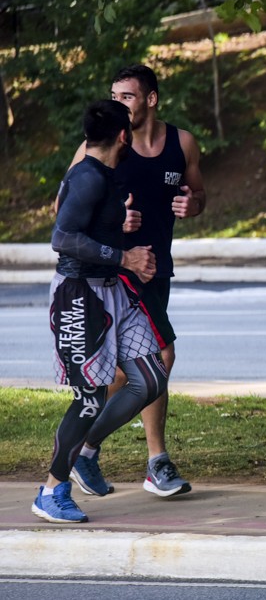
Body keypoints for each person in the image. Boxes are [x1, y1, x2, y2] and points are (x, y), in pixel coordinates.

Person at [66, 64, 206, 498]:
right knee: (154, 358)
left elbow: (198, 194)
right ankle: (144, 460)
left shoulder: (181, 143)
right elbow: (66, 204)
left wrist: (192, 205)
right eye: (114, 95)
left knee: (139, 368)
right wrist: (114, 220)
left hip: (154, 267)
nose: (119, 103)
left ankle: (83, 456)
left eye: (127, 96)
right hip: (112, 272)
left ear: (151, 99)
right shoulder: (103, 144)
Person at [33, 99, 168, 524]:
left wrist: (118, 228)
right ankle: (52, 490)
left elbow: (90, 228)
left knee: (149, 377)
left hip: (110, 291)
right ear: (123, 136)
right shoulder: (88, 177)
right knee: (89, 397)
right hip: (79, 294)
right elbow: (63, 237)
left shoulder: (104, 174)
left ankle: (84, 451)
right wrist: (125, 257)